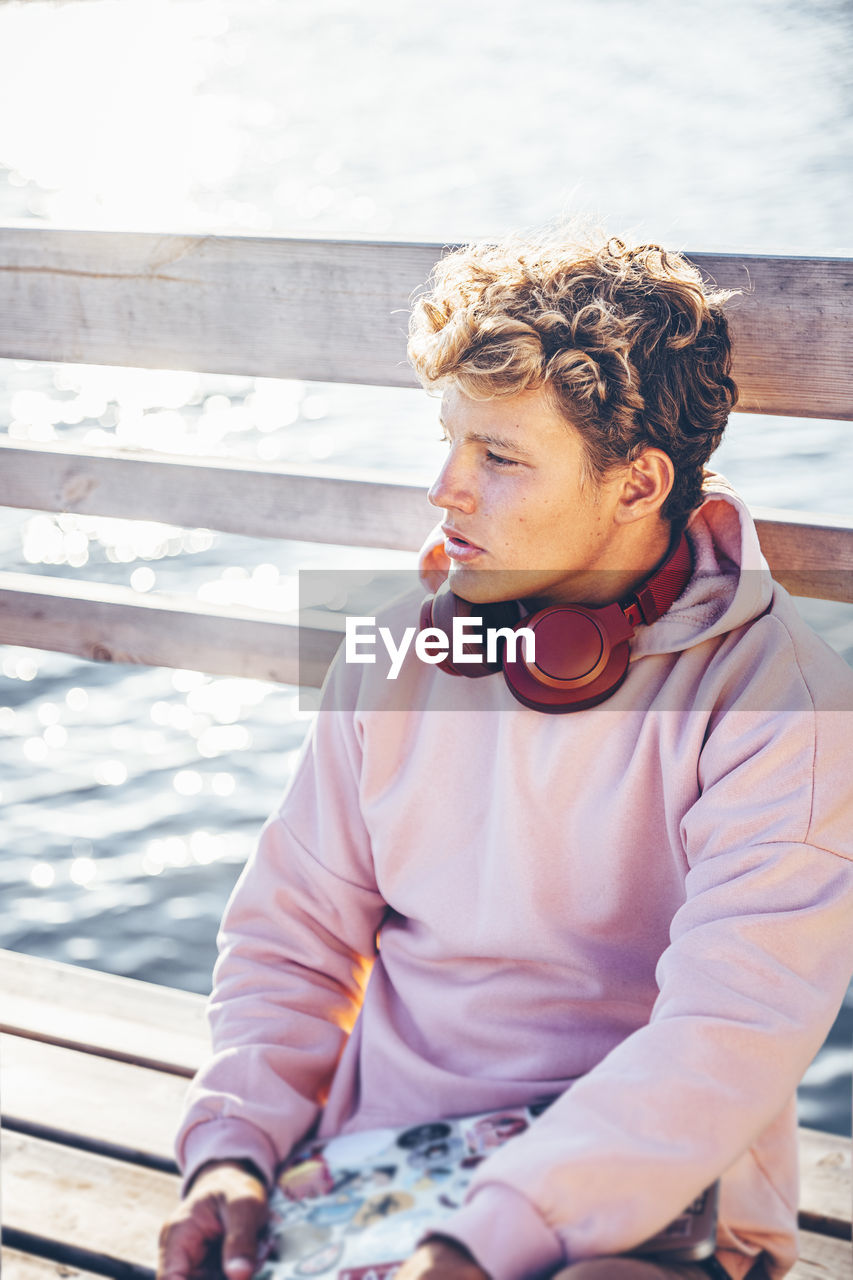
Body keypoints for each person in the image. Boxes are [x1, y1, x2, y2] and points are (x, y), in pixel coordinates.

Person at [157, 230, 853, 1280]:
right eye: (450, 441)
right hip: (375, 1169)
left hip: (651, 1200)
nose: (446, 488)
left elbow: (727, 1032)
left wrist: (488, 1233)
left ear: (635, 484)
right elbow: (289, 939)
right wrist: (231, 1149)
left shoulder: (781, 706)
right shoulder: (395, 650)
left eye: (499, 456)